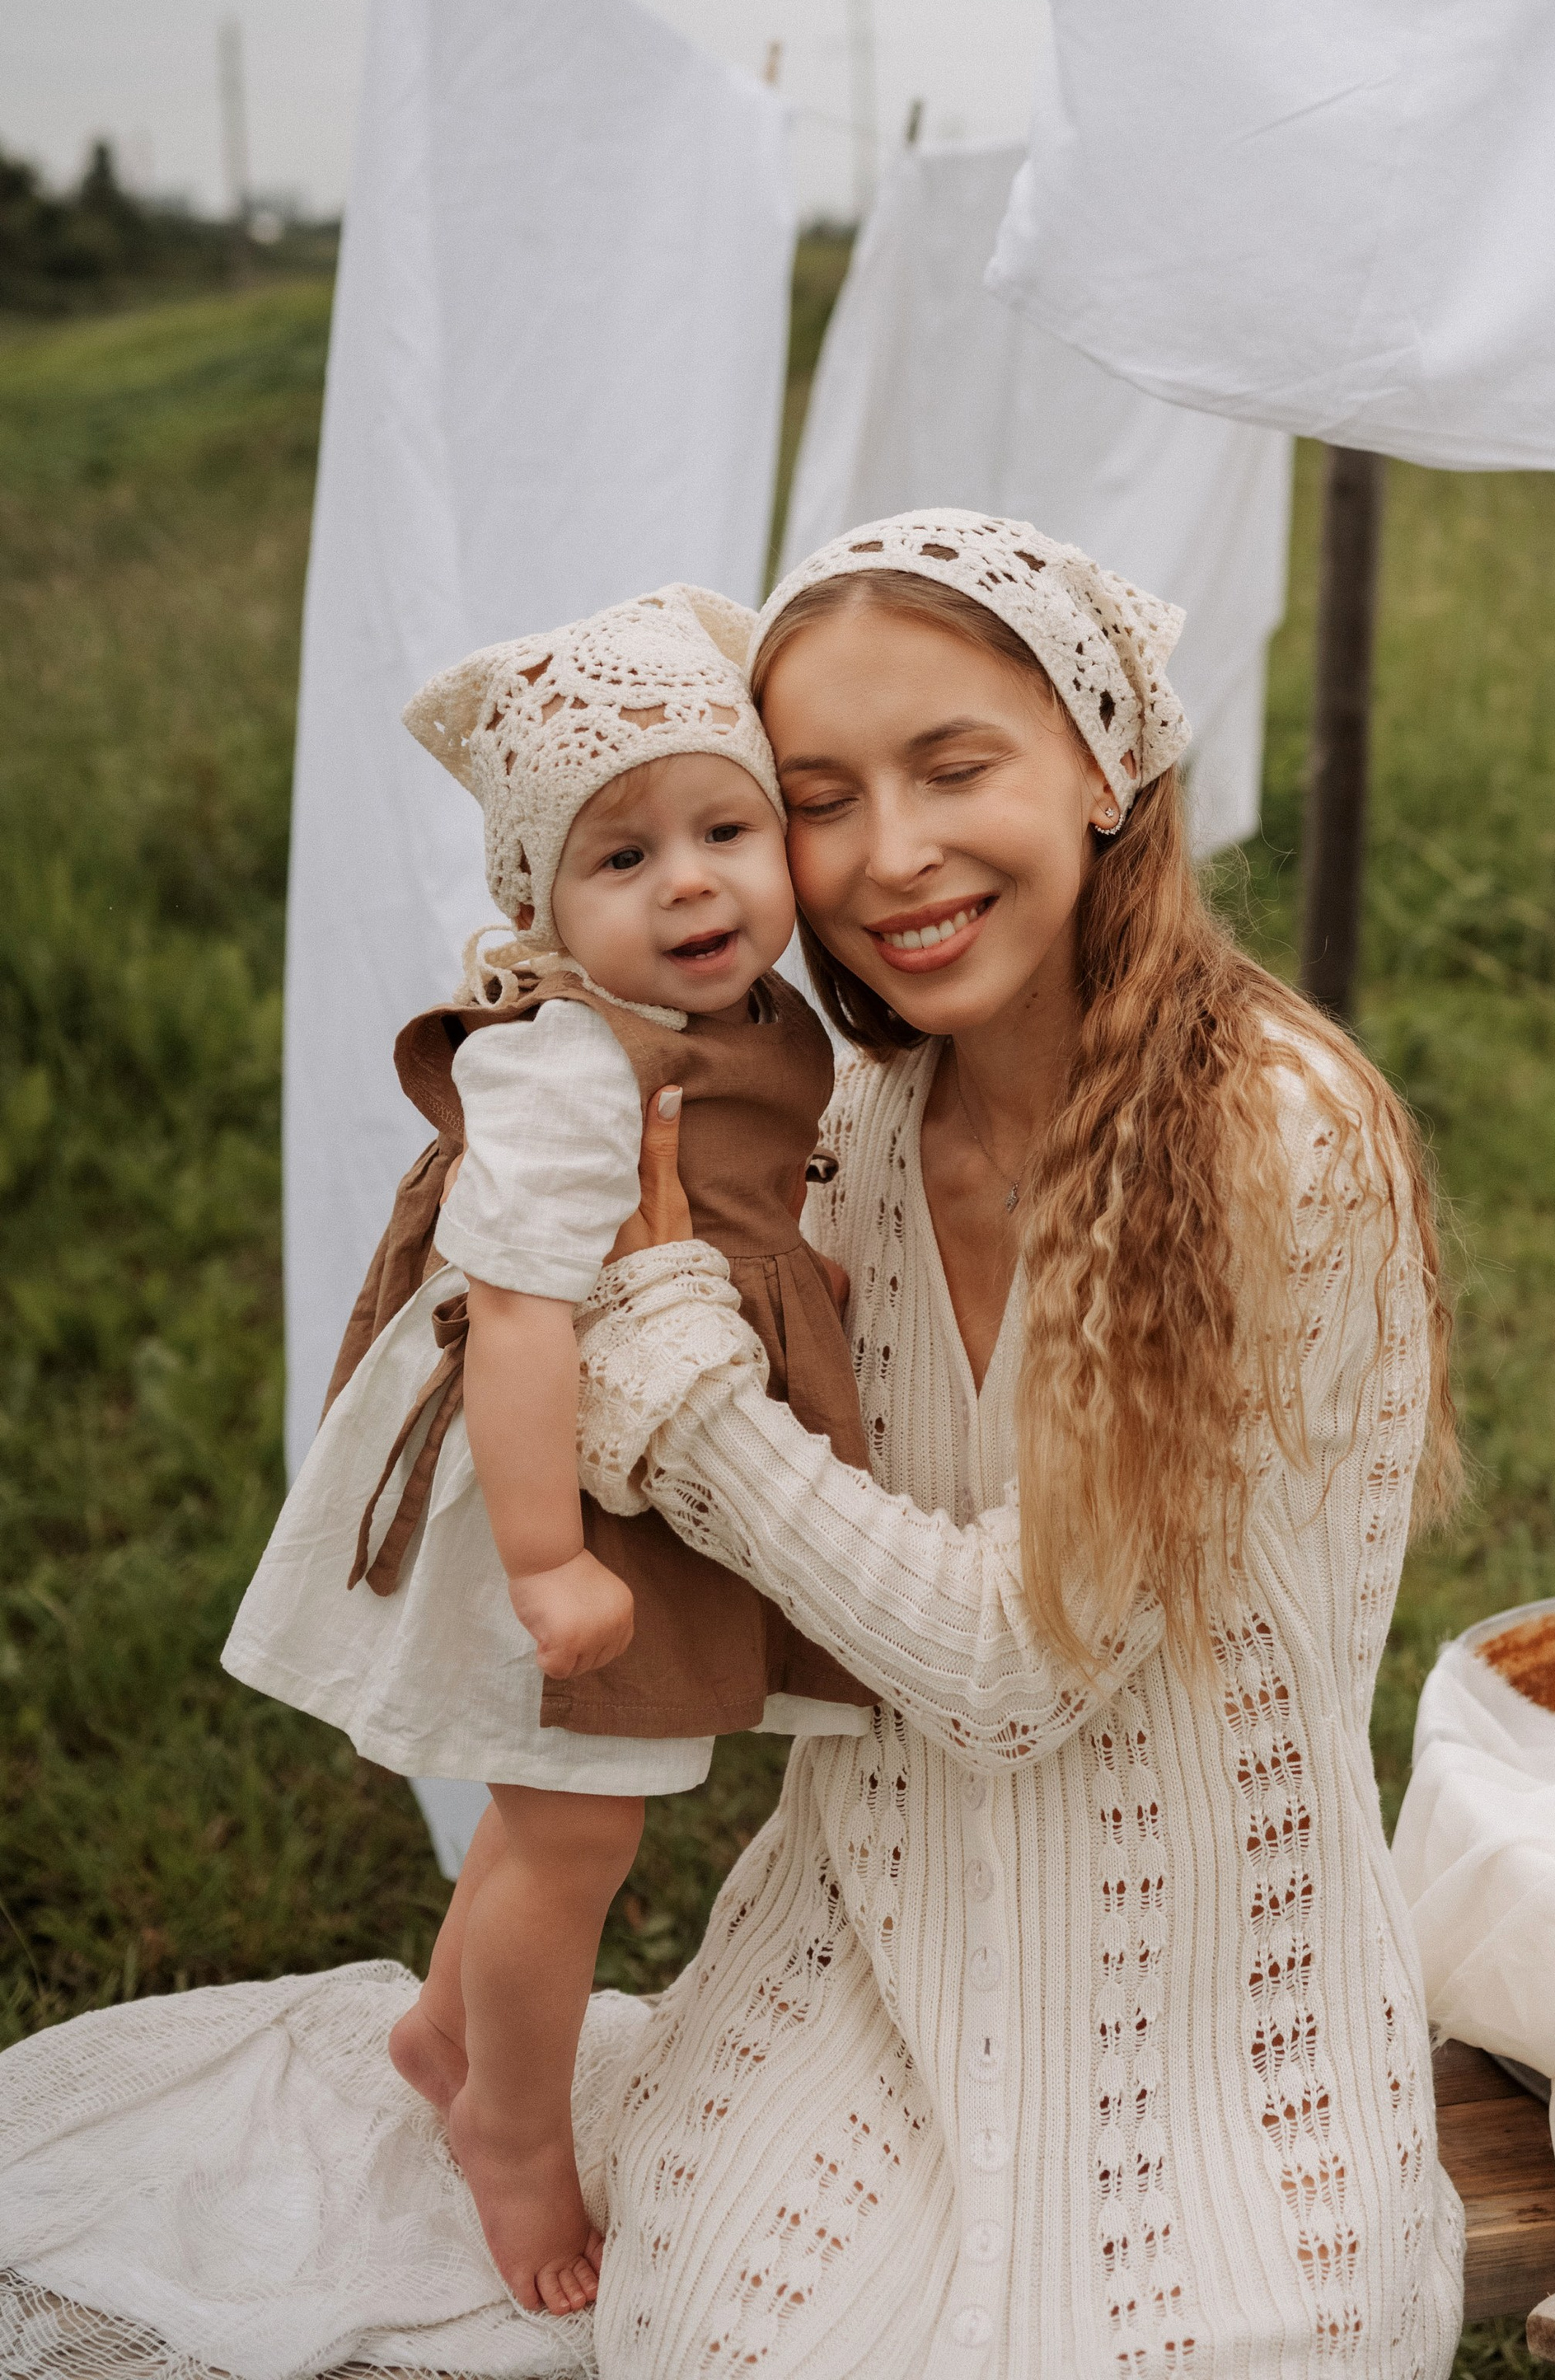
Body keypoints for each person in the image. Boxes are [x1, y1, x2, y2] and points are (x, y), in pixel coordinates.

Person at [0, 513, 1463, 2380]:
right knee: (734, 2329)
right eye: (820, 798)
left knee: (1205, 2334)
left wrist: (683, 1389)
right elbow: (587, 1376)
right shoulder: (844, 1124)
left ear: (1103, 769)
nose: (890, 857)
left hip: (1194, 1986)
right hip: (872, 1928)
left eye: (955, 768)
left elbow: (1006, 1673)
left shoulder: (1267, 1137)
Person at [221, 583, 869, 2317]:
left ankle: (446, 2037)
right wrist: (544, 1558)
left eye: (726, 828)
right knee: (570, 1835)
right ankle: (509, 2129)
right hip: (562, 1481)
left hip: (638, 1453)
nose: (689, 883)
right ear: (538, 906)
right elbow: (510, 1314)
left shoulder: (747, 1023)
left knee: (553, 1820)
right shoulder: (572, 1067)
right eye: (622, 857)